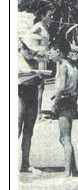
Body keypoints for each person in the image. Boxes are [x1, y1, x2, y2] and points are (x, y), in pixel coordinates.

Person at [47, 38, 78, 177]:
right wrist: (74, 100)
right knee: (66, 138)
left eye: (51, 51)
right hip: (71, 101)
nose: (49, 54)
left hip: (64, 102)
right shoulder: (72, 65)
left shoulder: (63, 66)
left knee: (64, 139)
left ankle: (67, 173)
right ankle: (74, 170)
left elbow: (61, 87)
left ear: (58, 51)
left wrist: (54, 103)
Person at [18, 39, 44, 173]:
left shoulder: (35, 60)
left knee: (28, 132)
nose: (31, 53)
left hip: (32, 94)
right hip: (19, 94)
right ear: (23, 47)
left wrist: (40, 75)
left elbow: (41, 82)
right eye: (29, 50)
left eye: (33, 51)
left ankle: (25, 163)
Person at [30, 14, 51, 121]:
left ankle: (38, 112)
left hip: (44, 59)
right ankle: (37, 114)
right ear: (42, 16)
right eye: (49, 16)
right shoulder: (37, 27)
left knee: (41, 87)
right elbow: (29, 41)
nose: (51, 18)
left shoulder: (45, 28)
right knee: (38, 86)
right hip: (39, 59)